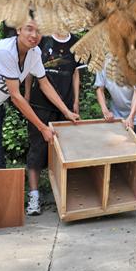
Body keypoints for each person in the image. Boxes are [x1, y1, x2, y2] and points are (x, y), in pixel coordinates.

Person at [0, 19, 79, 170]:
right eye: (29, 29)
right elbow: (16, 97)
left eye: (39, 31)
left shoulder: (35, 53)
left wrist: (66, 111)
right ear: (18, 30)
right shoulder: (5, 52)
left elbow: (44, 83)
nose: (34, 35)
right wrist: (42, 128)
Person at [23, 32, 84, 216]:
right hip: (40, 104)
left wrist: (75, 102)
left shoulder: (77, 42)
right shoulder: (43, 39)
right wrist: (26, 96)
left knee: (63, 153)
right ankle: (34, 197)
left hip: (65, 106)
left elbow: (75, 74)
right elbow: (29, 71)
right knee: (37, 150)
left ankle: (64, 197)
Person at [95, 57, 136, 207]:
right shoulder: (103, 63)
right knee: (118, 154)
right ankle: (118, 193)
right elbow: (99, 89)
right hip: (116, 115)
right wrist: (105, 110)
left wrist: (131, 117)